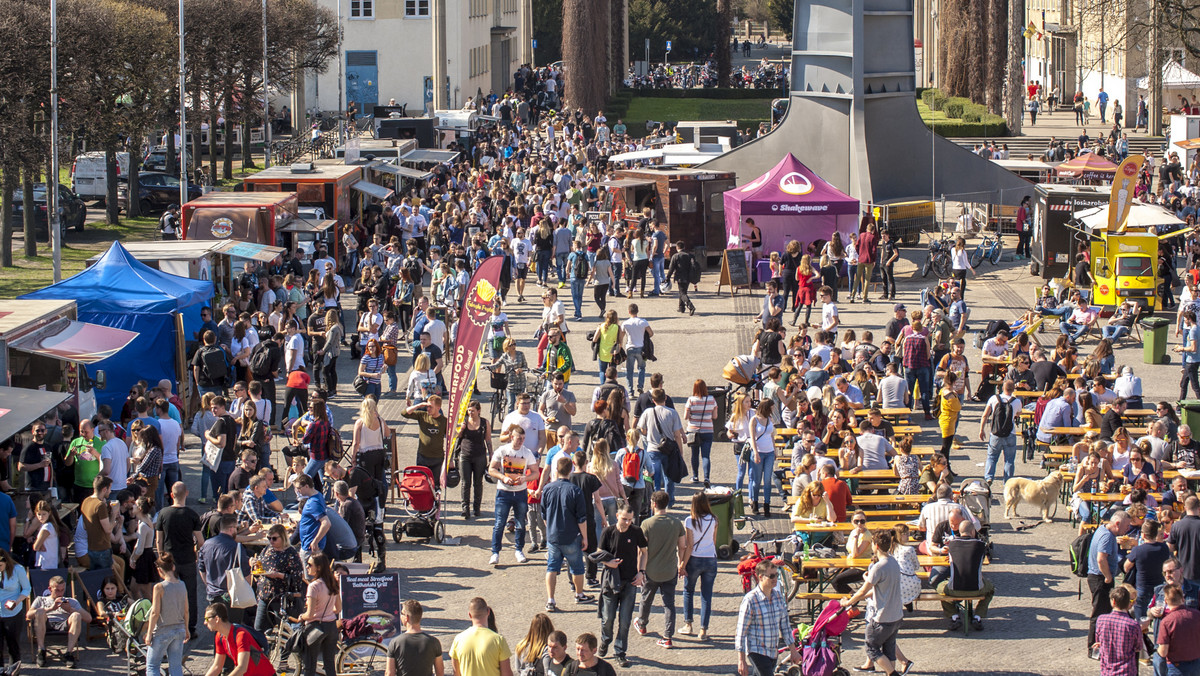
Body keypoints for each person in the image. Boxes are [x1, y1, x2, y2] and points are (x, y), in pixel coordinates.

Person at [845, 531, 904, 676]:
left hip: (882, 617)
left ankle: (891, 673)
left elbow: (862, 592)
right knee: (889, 649)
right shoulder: (894, 562)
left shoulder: (878, 567)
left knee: (872, 648)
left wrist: (848, 603)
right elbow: (880, 587)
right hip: (896, 615)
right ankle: (891, 671)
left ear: (875, 546)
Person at [633, 491, 687, 649]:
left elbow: (641, 550)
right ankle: (668, 636)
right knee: (669, 603)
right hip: (670, 570)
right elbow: (682, 546)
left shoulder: (647, 524)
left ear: (653, 504)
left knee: (646, 599)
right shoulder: (676, 523)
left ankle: (642, 624)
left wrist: (639, 570)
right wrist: (680, 564)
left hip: (650, 570)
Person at [595, 503, 647, 669]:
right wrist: (608, 562)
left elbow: (644, 551)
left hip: (630, 581)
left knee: (625, 621)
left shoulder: (636, 532)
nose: (627, 523)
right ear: (617, 516)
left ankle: (619, 652)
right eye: (624, 519)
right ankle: (605, 639)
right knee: (608, 618)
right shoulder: (608, 532)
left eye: (630, 520)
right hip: (611, 581)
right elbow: (598, 554)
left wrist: (641, 572)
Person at [541, 455, 592, 611]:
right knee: (577, 567)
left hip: (553, 536)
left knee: (552, 567)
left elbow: (543, 514)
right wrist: (585, 537)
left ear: (557, 469)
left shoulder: (548, 489)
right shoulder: (575, 491)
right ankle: (579, 594)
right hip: (571, 535)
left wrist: (549, 528)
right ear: (571, 469)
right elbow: (581, 518)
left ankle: (551, 599)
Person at [735, 558, 799, 676]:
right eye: (771, 576)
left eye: (777, 575)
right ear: (760, 577)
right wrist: (741, 660)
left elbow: (785, 626)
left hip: (773, 651)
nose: (775, 579)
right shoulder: (750, 600)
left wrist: (793, 650)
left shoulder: (778, 597)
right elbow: (741, 631)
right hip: (756, 650)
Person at [155, 482, 202, 636]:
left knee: (168, 592)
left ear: (171, 494)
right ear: (186, 493)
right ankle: (191, 626)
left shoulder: (163, 513)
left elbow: (158, 540)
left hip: (169, 561)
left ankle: (169, 623)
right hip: (188, 558)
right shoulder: (192, 515)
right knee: (190, 593)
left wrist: (161, 555)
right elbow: (200, 541)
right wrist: (196, 552)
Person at [489, 425, 538, 566]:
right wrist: (503, 477)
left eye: (523, 438)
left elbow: (535, 472)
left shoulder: (527, 453)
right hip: (504, 492)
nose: (521, 441)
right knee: (499, 523)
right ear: (512, 437)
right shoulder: (503, 450)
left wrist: (525, 479)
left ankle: (519, 550)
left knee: (521, 523)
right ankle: (495, 552)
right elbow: (491, 469)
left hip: (520, 492)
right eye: (519, 438)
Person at [937, 520, 993, 631]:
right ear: (973, 531)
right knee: (991, 589)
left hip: (954, 589)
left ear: (959, 531)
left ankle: (954, 616)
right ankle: (977, 616)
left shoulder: (951, 545)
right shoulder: (981, 545)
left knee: (939, 587)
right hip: (977, 588)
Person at [1088, 510, 1131, 652]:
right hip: (1100, 579)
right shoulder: (1107, 537)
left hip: (1097, 576)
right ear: (1117, 524)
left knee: (1103, 612)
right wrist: (1108, 577)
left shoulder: (1103, 530)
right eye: (1126, 526)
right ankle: (1093, 648)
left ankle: (1100, 645)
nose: (1128, 529)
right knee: (1099, 614)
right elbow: (1101, 559)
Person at [197, 515, 253, 624]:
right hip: (231, 596)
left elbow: (202, 570)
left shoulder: (206, 544)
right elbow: (246, 573)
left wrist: (209, 585)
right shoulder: (237, 547)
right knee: (232, 628)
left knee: (216, 627)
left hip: (212, 594)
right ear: (231, 529)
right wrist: (246, 588)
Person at [28, 574, 91, 668]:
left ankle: (68, 653)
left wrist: (70, 609)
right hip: (46, 622)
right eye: (57, 590)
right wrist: (50, 608)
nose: (60, 593)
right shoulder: (40, 599)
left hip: (64, 623)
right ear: (50, 589)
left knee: (76, 615)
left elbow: (88, 618)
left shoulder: (71, 601)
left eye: (62, 590)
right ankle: (41, 651)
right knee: (40, 611)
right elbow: (28, 615)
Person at [144, 553, 189, 676]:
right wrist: (187, 628)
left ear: (159, 570)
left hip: (163, 630)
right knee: (176, 666)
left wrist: (149, 633)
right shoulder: (182, 585)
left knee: (152, 666)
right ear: (173, 567)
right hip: (179, 629)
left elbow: (155, 613)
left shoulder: (159, 587)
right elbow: (186, 610)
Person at [203, 602, 275, 676]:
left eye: (207, 619)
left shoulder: (241, 635)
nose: (205, 622)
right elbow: (217, 667)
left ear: (217, 619)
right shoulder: (219, 636)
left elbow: (242, 668)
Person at [298, 553, 340, 676]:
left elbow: (310, 614)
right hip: (331, 626)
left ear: (319, 567)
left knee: (309, 665)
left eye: (310, 565)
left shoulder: (313, 586)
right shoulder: (333, 583)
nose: (307, 567)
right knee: (329, 664)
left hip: (315, 627)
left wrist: (301, 616)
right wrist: (326, 613)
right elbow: (338, 608)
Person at [449, 597, 513, 676]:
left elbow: (456, 673)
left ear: (470, 615)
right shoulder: (498, 640)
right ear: (488, 612)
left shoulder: (458, 640)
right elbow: (506, 674)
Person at [1125, 520, 1171, 620]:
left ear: (1144, 535)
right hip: (1159, 585)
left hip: (1142, 586)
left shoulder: (1138, 550)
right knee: (1158, 614)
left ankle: (1142, 633)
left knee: (1140, 616)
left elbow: (1126, 567)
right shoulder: (1164, 548)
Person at [978, 379, 1021, 487]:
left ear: (1002, 387)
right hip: (1010, 433)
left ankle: (989, 477)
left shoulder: (994, 399)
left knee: (992, 457)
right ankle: (1008, 482)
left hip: (995, 433)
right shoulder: (1016, 401)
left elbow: (985, 415)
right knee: (1009, 460)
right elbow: (1018, 413)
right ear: (1013, 389)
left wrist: (981, 429)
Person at [386, 599, 444, 676]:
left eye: (401, 613)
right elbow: (440, 671)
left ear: (406, 617)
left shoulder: (395, 642)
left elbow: (389, 673)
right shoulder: (434, 642)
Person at [1093, 585, 1141, 676]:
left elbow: (1098, 639)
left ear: (1113, 601)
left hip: (1107, 670)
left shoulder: (1101, 620)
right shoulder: (1133, 625)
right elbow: (1138, 647)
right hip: (1127, 671)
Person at [1156, 584, 1200, 675]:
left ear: (1165, 601)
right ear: (1183, 599)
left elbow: (1163, 652)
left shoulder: (1167, 621)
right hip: (1196, 663)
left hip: (1176, 666)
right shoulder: (1197, 615)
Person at [0, 548, 29, 671]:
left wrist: (16, 602)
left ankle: (14, 670)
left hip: (13, 612)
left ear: (6, 561)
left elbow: (27, 589)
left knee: (13, 644)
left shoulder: (18, 570)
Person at [621, 304, 653, 394]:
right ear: (637, 311)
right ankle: (640, 386)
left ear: (629, 312)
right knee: (641, 368)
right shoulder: (643, 322)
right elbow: (651, 333)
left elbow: (621, 336)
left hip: (630, 348)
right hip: (641, 348)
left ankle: (630, 391)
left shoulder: (625, 323)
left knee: (629, 370)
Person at [666, 241, 696, 315]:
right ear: (684, 247)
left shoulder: (675, 256)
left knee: (682, 293)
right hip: (688, 276)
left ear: (677, 248)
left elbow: (671, 268)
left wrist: (668, 277)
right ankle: (681, 307)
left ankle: (691, 306)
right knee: (683, 292)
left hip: (680, 277)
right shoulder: (689, 256)